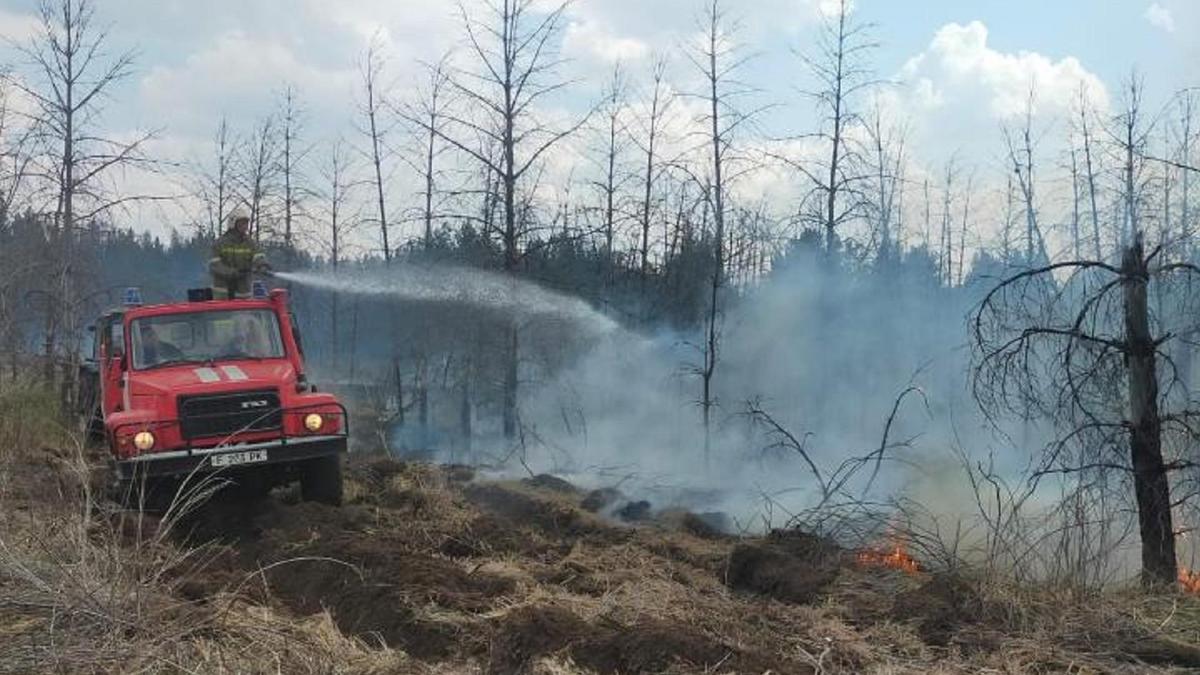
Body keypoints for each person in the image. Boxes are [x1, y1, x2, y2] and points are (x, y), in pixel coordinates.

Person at [209, 210, 270, 299]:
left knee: (245, 313)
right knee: (224, 313)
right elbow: (214, 265)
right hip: (223, 293)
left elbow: (258, 256)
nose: (245, 226)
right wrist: (232, 272)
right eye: (242, 223)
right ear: (233, 224)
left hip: (243, 292)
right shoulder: (220, 243)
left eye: (246, 223)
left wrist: (262, 265)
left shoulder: (250, 243)